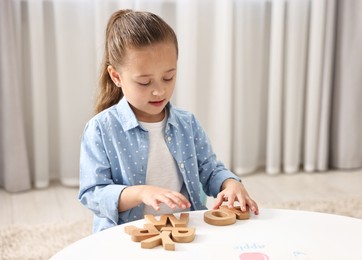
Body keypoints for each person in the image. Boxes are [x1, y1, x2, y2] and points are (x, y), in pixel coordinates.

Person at [78, 9, 259, 233]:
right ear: (116, 77)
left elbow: (210, 169)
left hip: (185, 230)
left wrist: (231, 184)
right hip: (126, 235)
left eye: (168, 77)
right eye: (144, 82)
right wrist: (140, 193)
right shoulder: (101, 129)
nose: (159, 91)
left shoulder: (187, 123)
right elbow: (92, 193)